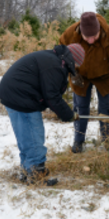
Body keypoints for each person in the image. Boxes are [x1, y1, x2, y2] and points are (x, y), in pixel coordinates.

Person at [0, 44, 85, 185]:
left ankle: (27, 170)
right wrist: (68, 115)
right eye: (76, 64)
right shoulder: (55, 66)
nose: (76, 67)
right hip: (21, 97)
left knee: (25, 136)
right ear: (72, 59)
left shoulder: (53, 59)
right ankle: (36, 175)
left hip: (12, 93)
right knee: (34, 135)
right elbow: (52, 96)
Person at [60, 12, 109, 153]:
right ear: (81, 32)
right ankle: (78, 140)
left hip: (104, 76)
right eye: (87, 37)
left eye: (94, 37)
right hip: (80, 76)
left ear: (99, 30)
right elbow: (61, 55)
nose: (91, 41)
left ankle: (108, 141)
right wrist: (73, 73)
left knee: (106, 108)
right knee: (80, 107)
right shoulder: (70, 34)